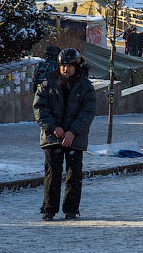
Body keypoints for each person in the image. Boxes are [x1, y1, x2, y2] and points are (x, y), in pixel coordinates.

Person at [33, 48, 96, 221]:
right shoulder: (48, 83)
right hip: (53, 137)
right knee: (52, 173)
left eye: (68, 65)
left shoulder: (85, 86)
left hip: (75, 137)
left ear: (76, 66)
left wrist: (73, 131)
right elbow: (40, 108)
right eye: (62, 65)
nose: (65, 69)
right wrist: (53, 127)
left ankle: (71, 209)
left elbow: (88, 112)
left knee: (74, 174)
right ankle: (49, 209)